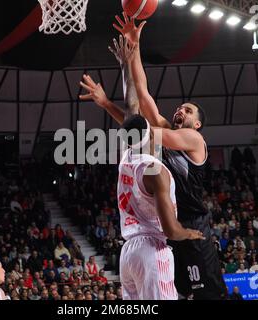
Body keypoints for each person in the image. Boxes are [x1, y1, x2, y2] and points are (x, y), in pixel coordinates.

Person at [80, 14, 225, 299]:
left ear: (197, 123)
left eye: (188, 110)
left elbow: (141, 129)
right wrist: (135, 49)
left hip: (192, 227)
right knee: (179, 293)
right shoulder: (162, 131)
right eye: (180, 107)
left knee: (206, 295)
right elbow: (143, 95)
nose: (180, 111)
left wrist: (129, 119)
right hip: (167, 227)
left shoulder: (194, 140)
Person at [117, 115, 205, 300]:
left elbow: (130, 119)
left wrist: (106, 103)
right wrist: (189, 233)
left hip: (128, 253)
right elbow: (171, 231)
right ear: (150, 134)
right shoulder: (155, 171)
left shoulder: (126, 157)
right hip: (151, 249)